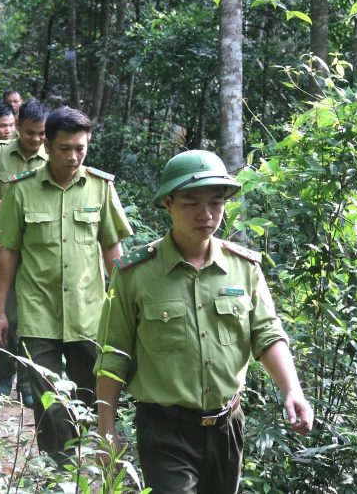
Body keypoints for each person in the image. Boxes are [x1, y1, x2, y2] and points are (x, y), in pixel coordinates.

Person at [94, 150, 313, 494]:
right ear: (168, 203)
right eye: (191, 203)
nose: (206, 214)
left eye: (215, 202)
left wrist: (292, 390)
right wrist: (105, 426)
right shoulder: (135, 274)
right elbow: (114, 353)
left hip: (227, 425)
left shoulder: (244, 268)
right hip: (164, 426)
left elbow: (268, 335)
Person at [0, 106, 133, 463]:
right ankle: (62, 469)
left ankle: (95, 463)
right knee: (49, 401)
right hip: (39, 315)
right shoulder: (21, 191)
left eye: (80, 148)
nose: (73, 156)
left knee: (91, 395)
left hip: (89, 314)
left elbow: (113, 249)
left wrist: (129, 306)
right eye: (65, 148)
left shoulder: (100, 188)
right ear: (48, 146)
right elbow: (8, 252)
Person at [0, 100, 50, 404]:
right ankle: (5, 372)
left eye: (42, 134)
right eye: (30, 133)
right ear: (17, 126)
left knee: (31, 322)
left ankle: (28, 383)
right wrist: (13, 210)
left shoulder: (51, 158)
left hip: (36, 256)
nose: (36, 139)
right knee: (2, 319)